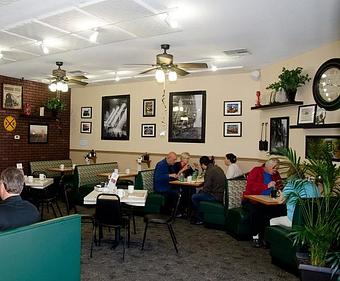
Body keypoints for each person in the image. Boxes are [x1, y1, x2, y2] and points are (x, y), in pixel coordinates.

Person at [242, 158, 286, 247]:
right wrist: (267, 185)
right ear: (268, 167)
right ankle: (255, 236)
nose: (276, 171)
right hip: (251, 200)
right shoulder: (256, 171)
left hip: (268, 201)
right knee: (257, 210)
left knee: (280, 209)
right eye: (274, 168)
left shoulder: (275, 174)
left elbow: (280, 185)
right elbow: (250, 187)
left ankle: (269, 237)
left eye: (277, 169)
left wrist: (279, 189)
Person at [191, 156, 226, 225]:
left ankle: (200, 218)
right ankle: (198, 215)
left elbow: (206, 189)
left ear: (203, 164)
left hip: (215, 196)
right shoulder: (217, 168)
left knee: (194, 197)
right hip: (221, 194)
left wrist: (201, 192)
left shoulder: (209, 171)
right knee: (199, 193)